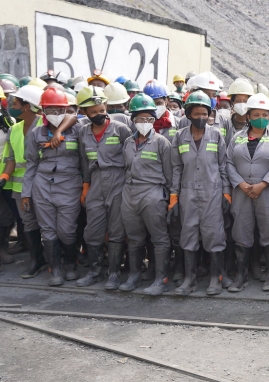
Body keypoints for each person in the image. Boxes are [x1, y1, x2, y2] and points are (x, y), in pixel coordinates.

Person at [21, 87, 86, 287]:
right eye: (51, 110)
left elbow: (76, 117)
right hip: (42, 186)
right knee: (47, 230)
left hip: (70, 185)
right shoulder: (35, 133)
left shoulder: (78, 130)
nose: (55, 114)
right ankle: (56, 269)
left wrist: (59, 130)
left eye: (60, 110)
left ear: (66, 110)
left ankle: (70, 264)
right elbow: (31, 163)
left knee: (66, 230)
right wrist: (26, 193)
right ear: (43, 111)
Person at [170, 91, 231, 296]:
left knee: (214, 234)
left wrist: (226, 193)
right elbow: (176, 168)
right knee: (188, 234)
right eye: (196, 114)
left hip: (212, 193)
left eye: (204, 114)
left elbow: (223, 167)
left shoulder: (217, 135)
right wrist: (173, 197)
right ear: (188, 114)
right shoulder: (180, 136)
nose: (201, 118)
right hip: (187, 193)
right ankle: (190, 279)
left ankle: (215, 279)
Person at [228, 93, 269, 292]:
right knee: (241, 231)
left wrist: (263, 184)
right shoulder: (237, 138)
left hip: (267, 192)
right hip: (242, 192)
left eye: (265, 114)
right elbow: (228, 162)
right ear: (248, 116)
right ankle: (241, 275)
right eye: (256, 114)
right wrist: (240, 183)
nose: (261, 118)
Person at [74, 86, 131, 289]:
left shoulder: (121, 129)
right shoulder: (83, 133)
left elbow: (132, 158)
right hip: (96, 181)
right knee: (93, 230)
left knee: (116, 230)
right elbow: (83, 162)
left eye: (101, 109)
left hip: (118, 179)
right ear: (84, 113)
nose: (99, 114)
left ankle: (113, 274)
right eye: (94, 112)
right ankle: (95, 272)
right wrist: (86, 187)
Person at [118, 93, 175, 295]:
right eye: (140, 119)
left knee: (159, 237)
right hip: (130, 193)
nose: (145, 122)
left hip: (153, 193)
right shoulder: (127, 143)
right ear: (133, 120)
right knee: (134, 238)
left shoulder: (162, 143)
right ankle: (134, 275)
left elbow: (170, 175)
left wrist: (169, 199)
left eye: (149, 118)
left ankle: (161, 279)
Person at [5, 86, 46, 279]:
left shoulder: (45, 127)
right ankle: (36, 260)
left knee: (48, 224)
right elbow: (11, 158)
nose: (11, 105)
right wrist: (4, 177)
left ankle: (56, 260)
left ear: (26, 106)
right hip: (20, 187)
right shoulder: (14, 129)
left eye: (15, 102)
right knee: (28, 223)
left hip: (43, 185)